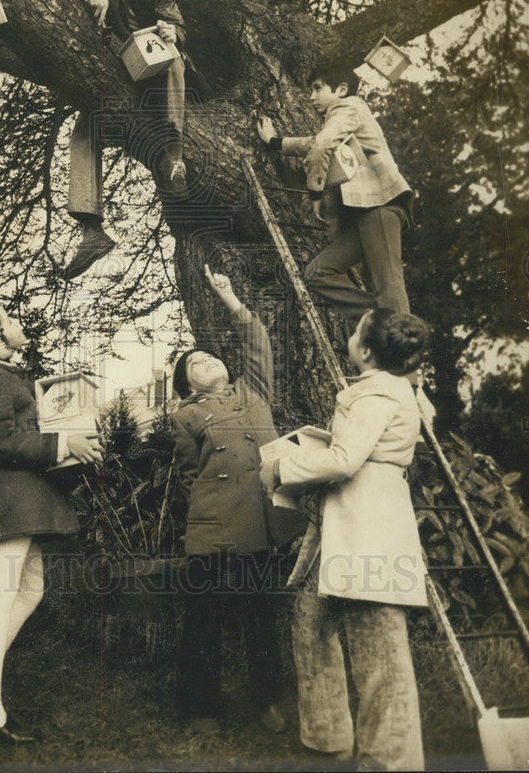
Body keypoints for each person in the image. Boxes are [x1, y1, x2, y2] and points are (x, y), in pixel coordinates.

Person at [260, 307, 430, 770]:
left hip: (369, 527)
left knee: (379, 650)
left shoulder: (377, 395)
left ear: (367, 350)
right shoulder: (394, 388)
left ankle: (390, 760)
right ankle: (327, 740)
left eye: (356, 330)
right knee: (311, 625)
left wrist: (281, 467)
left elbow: (343, 459)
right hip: (347, 524)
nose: (350, 334)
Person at [0, 299, 103, 745]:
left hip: (22, 502)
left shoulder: (2, 376)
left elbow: (24, 430)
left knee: (28, 589)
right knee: (2, 594)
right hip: (12, 503)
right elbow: (2, 441)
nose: (17, 323)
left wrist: (70, 437)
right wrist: (65, 443)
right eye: (7, 320)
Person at [170, 264, 287, 736]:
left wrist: (229, 297)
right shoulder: (187, 417)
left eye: (209, 356)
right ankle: (201, 708)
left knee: (261, 618)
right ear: (190, 386)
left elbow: (257, 340)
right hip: (212, 530)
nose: (207, 361)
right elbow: (187, 475)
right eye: (195, 364)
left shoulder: (254, 391)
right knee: (203, 623)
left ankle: (268, 701)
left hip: (258, 525)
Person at [63, 0, 191, 280]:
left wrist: (173, 32)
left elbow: (180, 26)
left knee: (174, 59)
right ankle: (90, 228)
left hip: (156, 72)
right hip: (120, 66)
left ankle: (174, 155)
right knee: (86, 125)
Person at [256, 63, 413, 322]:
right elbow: (314, 143)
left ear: (341, 89)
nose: (311, 96)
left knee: (389, 285)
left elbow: (321, 145)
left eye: (318, 88)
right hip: (363, 213)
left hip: (380, 205)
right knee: (317, 273)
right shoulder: (344, 117)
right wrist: (275, 142)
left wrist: (315, 192)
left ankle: (401, 343)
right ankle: (380, 322)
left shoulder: (348, 106)